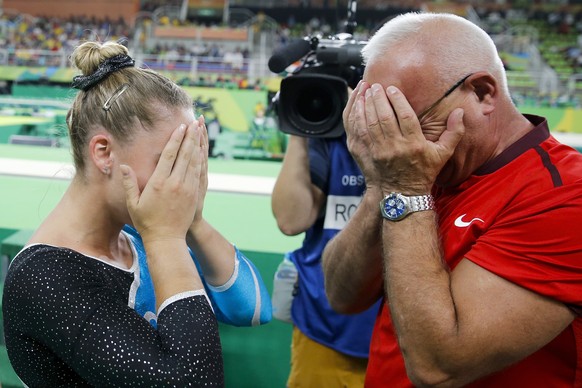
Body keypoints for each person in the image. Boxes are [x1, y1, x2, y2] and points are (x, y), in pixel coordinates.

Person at [322, 12, 582, 387]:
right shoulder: (417, 166)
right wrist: (381, 184)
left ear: (482, 92)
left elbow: (439, 367)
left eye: (410, 121)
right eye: (385, 121)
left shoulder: (564, 196)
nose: (394, 141)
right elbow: (342, 295)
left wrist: (406, 190)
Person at [2, 39, 271, 387]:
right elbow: (193, 382)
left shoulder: (137, 237)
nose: (181, 181)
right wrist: (166, 237)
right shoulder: (47, 277)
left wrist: (194, 222)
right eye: (169, 162)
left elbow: (252, 309)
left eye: (188, 162)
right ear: (103, 153)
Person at [271, 132, 380, 387]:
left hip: (399, 332)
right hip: (323, 326)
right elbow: (290, 220)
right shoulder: (327, 135)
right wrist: (299, 133)